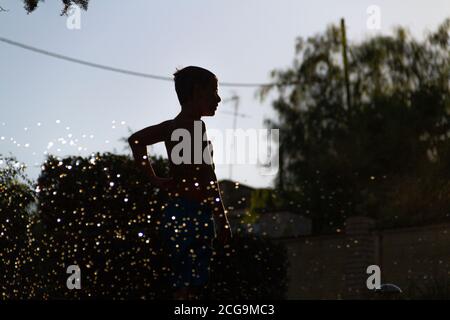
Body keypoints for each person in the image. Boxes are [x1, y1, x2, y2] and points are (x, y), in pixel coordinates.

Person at [128, 66, 232, 300]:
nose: (218, 98)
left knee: (181, 280)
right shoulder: (195, 127)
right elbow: (208, 178)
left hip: (175, 211)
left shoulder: (171, 126)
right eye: (213, 92)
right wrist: (222, 219)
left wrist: (153, 178)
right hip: (194, 214)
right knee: (192, 286)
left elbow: (136, 140)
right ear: (197, 92)